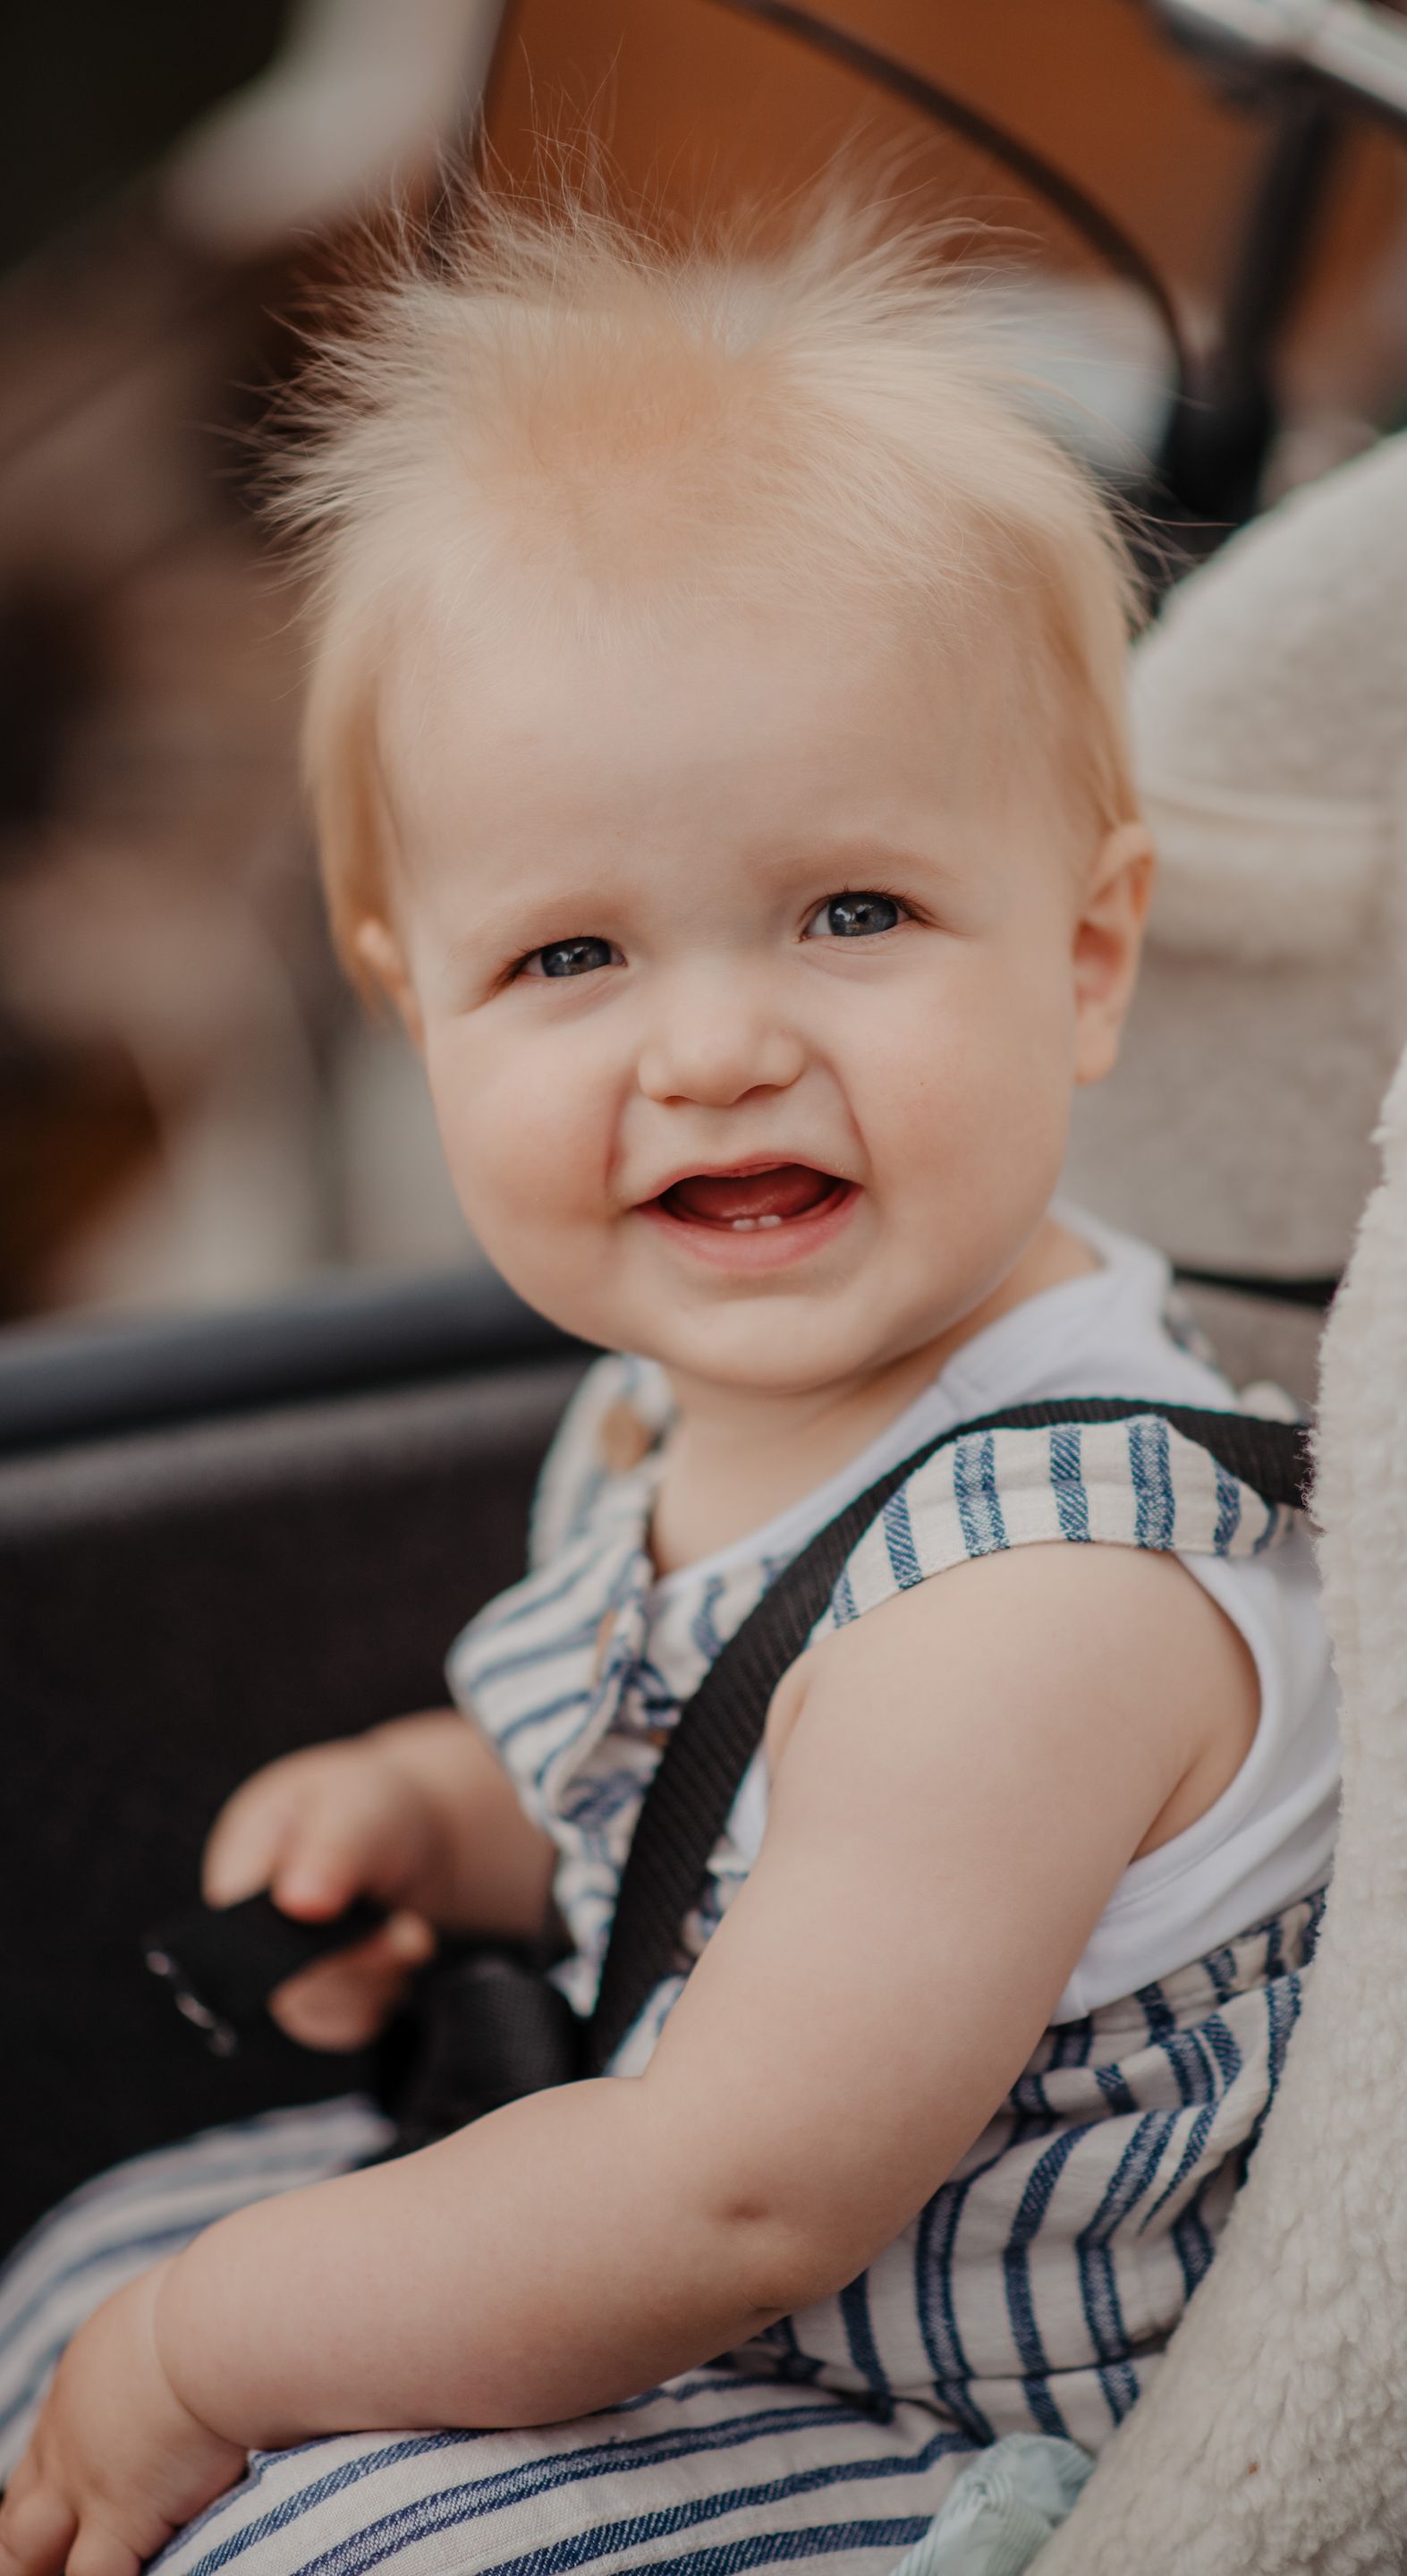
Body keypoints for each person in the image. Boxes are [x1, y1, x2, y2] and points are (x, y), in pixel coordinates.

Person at [0, 194, 1339, 2576]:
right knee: (95, 2257)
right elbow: (713, 1824)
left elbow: (724, 2194)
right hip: (745, 2328)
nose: (718, 1046)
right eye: (573, 954)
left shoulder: (1038, 1604)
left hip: (994, 2445)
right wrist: (443, 1812)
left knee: (270, 2466)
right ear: (420, 1003)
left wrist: (215, 2356)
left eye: (854, 911)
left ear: (1089, 953)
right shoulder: (677, 1402)